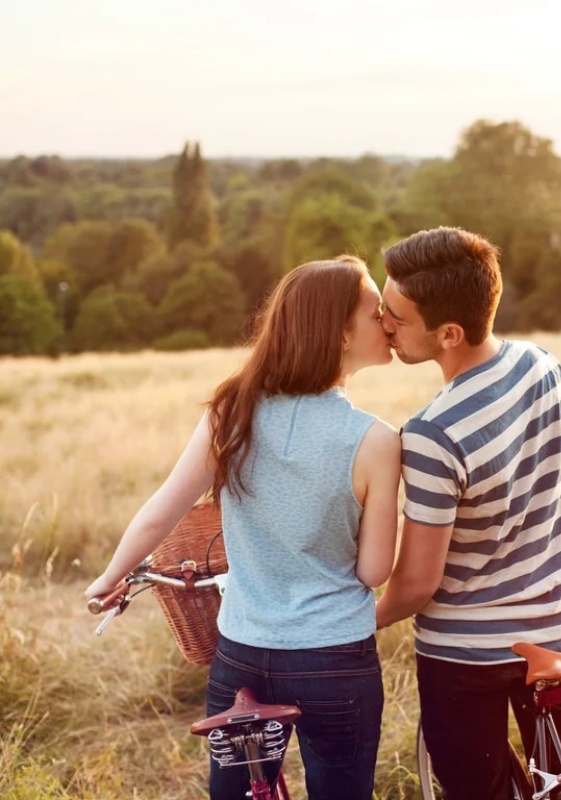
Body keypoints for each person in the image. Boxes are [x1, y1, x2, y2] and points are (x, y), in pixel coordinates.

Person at [85, 255, 401, 800]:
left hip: (244, 653)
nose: (388, 323)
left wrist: (109, 577)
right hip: (335, 658)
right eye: (376, 313)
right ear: (341, 335)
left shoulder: (233, 411)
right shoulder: (376, 440)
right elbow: (374, 569)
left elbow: (164, 508)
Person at [375, 227, 561, 800]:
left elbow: (418, 585)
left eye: (395, 315)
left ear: (448, 333)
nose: (383, 323)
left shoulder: (431, 434)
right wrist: (522, 561)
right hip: (558, 629)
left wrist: (350, 625)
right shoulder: (544, 365)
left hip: (466, 654)